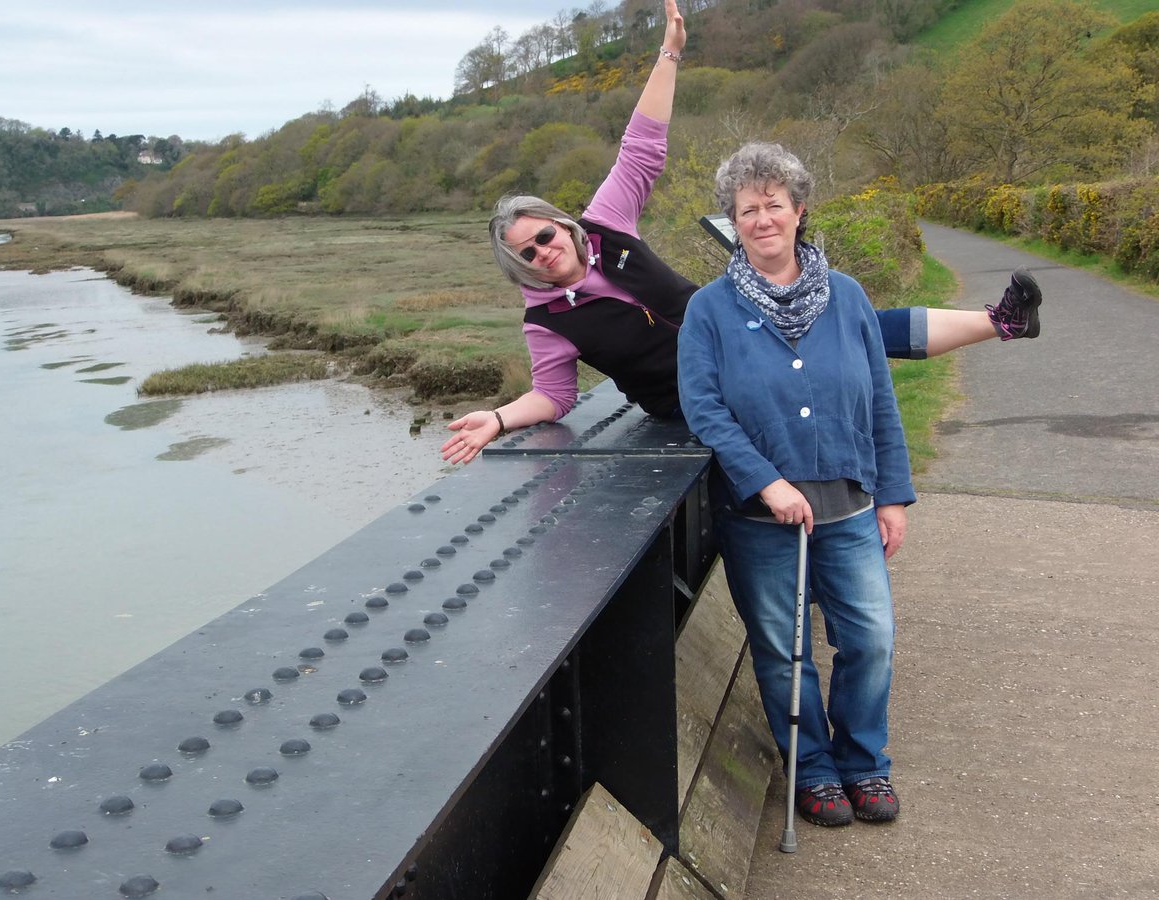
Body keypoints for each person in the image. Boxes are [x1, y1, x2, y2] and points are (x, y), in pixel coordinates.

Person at [441, 0, 1042, 466]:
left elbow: (642, 146)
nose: (543, 254)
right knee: (831, 353)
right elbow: (555, 395)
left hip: (740, 341)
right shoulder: (545, 321)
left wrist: (670, 54)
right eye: (526, 254)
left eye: (544, 236)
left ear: (561, 225)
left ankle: (1001, 322)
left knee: (852, 322)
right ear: (518, 266)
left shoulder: (606, 223)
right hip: (693, 403)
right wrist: (497, 418)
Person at [677, 140, 914, 827]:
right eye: (746, 209)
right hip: (761, 519)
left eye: (772, 204)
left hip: (850, 508)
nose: (761, 219)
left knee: (870, 638)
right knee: (786, 652)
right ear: (733, 220)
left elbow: (879, 402)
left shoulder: (849, 298)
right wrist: (766, 482)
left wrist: (894, 494)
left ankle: (864, 762)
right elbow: (704, 408)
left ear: (798, 210)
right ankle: (812, 769)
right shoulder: (709, 311)